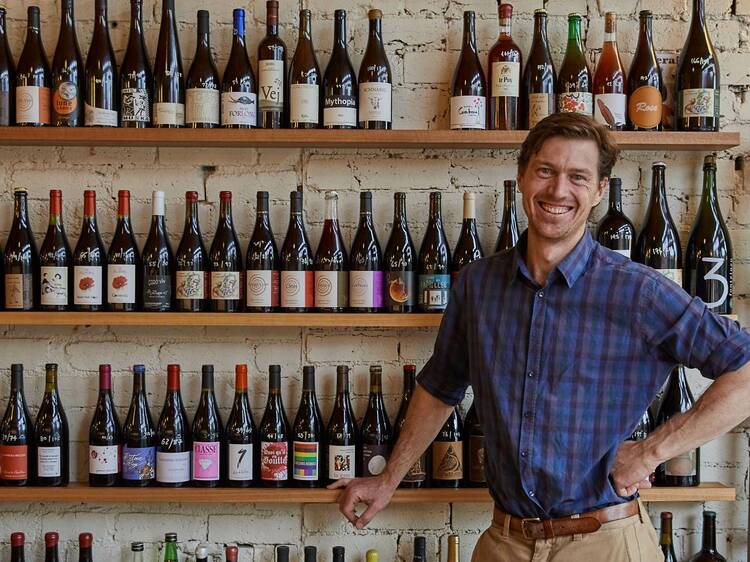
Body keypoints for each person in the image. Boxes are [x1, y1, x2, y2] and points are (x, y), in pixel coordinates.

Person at [329, 113, 750, 561]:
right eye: (546, 171)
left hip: (605, 543)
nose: (558, 190)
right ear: (522, 176)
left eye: (578, 177)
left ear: (600, 191)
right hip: (504, 542)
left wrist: (650, 452)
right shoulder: (476, 286)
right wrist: (388, 477)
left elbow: (744, 370)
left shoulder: (639, 292)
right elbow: (439, 388)